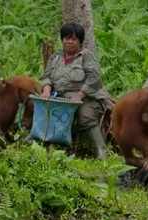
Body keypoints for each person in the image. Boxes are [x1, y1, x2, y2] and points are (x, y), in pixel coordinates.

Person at [40, 22, 112, 159]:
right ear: (62, 40)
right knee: (41, 109)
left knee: (86, 115)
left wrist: (80, 95)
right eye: (66, 38)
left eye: (73, 39)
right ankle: (45, 143)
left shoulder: (86, 56)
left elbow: (94, 78)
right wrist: (46, 90)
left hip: (87, 97)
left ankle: (101, 150)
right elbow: (46, 77)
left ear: (80, 41)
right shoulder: (55, 57)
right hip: (60, 96)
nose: (69, 42)